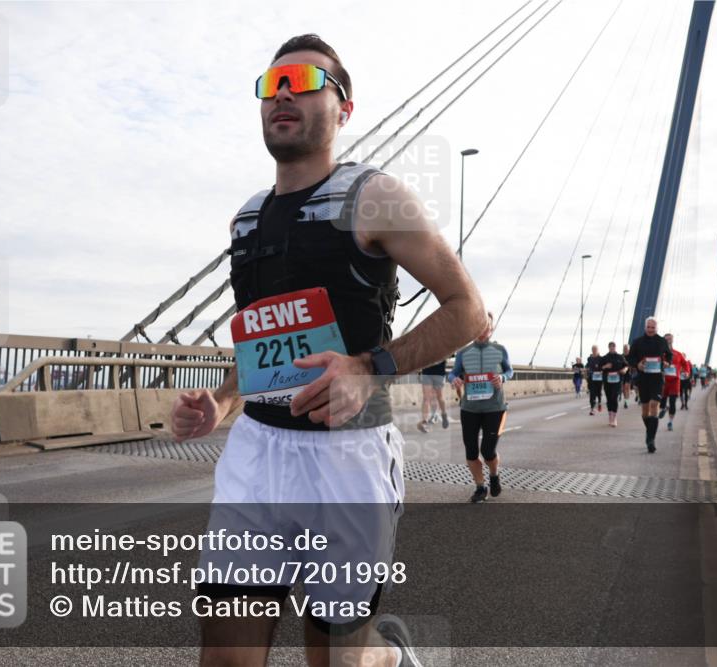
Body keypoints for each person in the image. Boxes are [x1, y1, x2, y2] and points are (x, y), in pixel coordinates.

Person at [171, 34, 486, 667]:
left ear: (344, 108)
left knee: (337, 659)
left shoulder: (374, 197)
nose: (283, 91)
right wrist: (223, 401)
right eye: (271, 83)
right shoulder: (248, 219)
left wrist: (369, 370)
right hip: (257, 457)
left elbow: (470, 311)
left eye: (303, 81)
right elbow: (264, 337)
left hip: (347, 461)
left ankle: (389, 658)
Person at [449, 311, 514, 503]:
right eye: (479, 324)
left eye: (487, 325)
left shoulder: (500, 350)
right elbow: (452, 374)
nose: (483, 329)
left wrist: (502, 378)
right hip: (469, 408)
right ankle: (480, 486)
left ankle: (494, 475)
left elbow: (510, 371)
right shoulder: (463, 352)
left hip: (495, 407)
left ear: (491, 329)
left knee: (487, 451)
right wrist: (455, 380)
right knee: (470, 451)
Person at [626, 316, 672, 453]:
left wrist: (667, 363)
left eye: (653, 327)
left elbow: (669, 355)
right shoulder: (637, 342)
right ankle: (650, 432)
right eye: (649, 327)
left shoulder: (662, 341)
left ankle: (651, 440)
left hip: (657, 378)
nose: (651, 329)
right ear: (645, 328)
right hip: (643, 379)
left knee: (654, 405)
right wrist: (637, 364)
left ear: (656, 328)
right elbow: (630, 358)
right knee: (645, 410)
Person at [660, 333, 689, 431]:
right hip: (663, 380)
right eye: (666, 339)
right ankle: (664, 408)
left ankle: (670, 422)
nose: (668, 341)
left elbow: (685, 364)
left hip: (675, 381)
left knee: (672, 402)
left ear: (672, 340)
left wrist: (686, 372)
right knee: (662, 402)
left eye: (670, 339)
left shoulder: (678, 354)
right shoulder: (660, 353)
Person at [600, 342, 628, 427]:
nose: (612, 348)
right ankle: (610, 417)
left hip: (617, 381)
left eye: (613, 346)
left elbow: (626, 366)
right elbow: (599, 368)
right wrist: (605, 367)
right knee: (609, 398)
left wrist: (624, 370)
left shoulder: (620, 357)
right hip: (607, 381)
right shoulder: (604, 358)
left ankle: (614, 418)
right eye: (610, 347)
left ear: (615, 347)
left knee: (614, 397)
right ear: (608, 347)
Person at [417, 359, 449, 432]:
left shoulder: (443, 347)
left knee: (438, 397)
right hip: (428, 372)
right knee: (427, 398)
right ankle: (424, 421)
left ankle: (443, 414)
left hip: (438, 373)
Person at [586, 345, 604, 416]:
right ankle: (592, 408)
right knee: (592, 393)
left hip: (599, 378)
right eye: (593, 349)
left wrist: (602, 371)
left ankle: (599, 402)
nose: (594, 350)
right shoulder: (589, 358)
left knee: (598, 392)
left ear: (597, 350)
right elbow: (587, 366)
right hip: (591, 378)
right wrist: (587, 369)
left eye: (595, 349)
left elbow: (603, 367)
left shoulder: (601, 358)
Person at [622, 343, 633, 409]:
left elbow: (633, 364)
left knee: (627, 387)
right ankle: (625, 399)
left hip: (629, 373)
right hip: (622, 373)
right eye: (624, 348)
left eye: (626, 348)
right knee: (623, 388)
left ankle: (626, 401)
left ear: (629, 349)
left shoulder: (631, 356)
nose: (625, 350)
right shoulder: (621, 356)